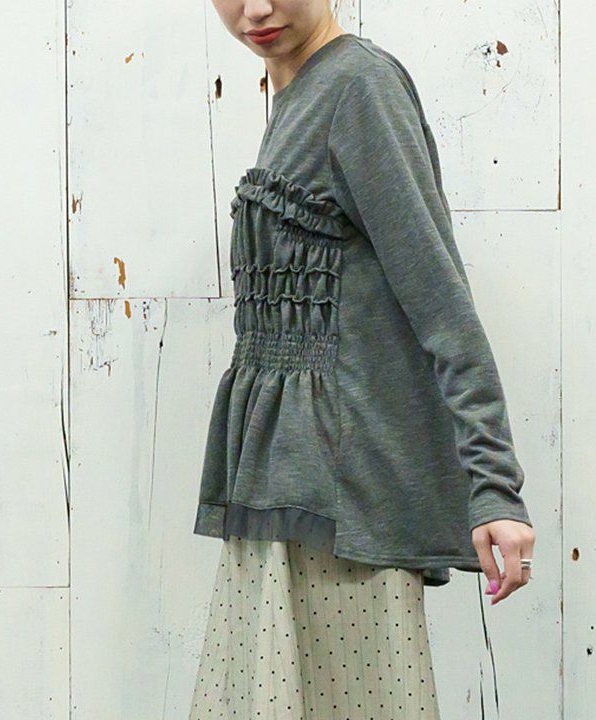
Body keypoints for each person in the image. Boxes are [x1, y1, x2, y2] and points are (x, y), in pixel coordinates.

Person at [189, 2, 536, 718]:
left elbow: (439, 299)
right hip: (282, 491)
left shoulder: (358, 86)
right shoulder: (295, 92)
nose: (257, 10)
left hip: (345, 506)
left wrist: (494, 485)